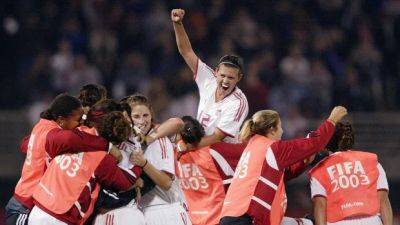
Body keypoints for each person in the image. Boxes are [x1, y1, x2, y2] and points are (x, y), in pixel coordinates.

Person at [219, 106, 348, 225]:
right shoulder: (272, 148)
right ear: (271, 129)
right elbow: (314, 143)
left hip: (230, 215)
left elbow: (277, 176)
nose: (282, 131)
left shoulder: (253, 148)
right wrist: (332, 120)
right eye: (280, 126)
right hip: (247, 218)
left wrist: (304, 162)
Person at [5, 94, 114, 225]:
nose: (80, 123)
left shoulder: (43, 126)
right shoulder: (54, 136)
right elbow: (72, 139)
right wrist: (109, 146)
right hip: (24, 206)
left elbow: (24, 144)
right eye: (78, 119)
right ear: (61, 119)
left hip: (27, 200)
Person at [28, 111, 143, 225]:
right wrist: (138, 163)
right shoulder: (102, 159)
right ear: (117, 143)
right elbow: (126, 182)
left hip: (38, 209)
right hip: (61, 218)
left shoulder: (77, 133)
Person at [171, 8, 249, 147]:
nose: (225, 81)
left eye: (230, 78)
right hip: (200, 147)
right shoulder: (209, 79)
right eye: (223, 75)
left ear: (239, 78)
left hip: (221, 156)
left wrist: (188, 148)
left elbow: (217, 137)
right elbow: (186, 51)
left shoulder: (238, 102)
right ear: (216, 71)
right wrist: (178, 24)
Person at [309, 122, 393, 225]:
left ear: (326, 144)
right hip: (372, 221)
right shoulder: (373, 162)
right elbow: (383, 201)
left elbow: (320, 206)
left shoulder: (318, 171)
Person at [126, 94, 191, 225]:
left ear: (151, 115)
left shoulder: (159, 140)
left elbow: (166, 183)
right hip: (143, 212)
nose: (142, 121)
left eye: (146, 115)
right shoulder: (127, 143)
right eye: (136, 116)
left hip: (167, 211)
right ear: (128, 118)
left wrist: (143, 163)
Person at [176, 116, 246, 225]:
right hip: (217, 219)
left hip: (191, 220)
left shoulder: (173, 156)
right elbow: (248, 150)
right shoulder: (214, 150)